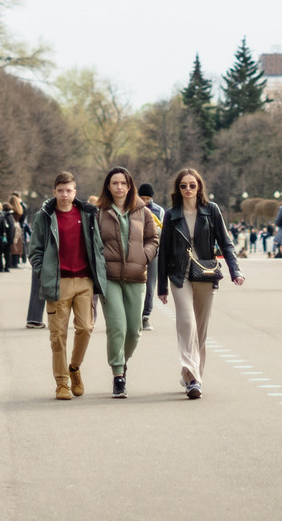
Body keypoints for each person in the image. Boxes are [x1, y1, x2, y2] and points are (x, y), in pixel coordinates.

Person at [157, 167, 245, 398]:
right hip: (179, 276)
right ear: (178, 189)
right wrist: (162, 286)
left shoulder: (211, 211)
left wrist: (235, 270)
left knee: (201, 331)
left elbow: (226, 243)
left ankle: (194, 376)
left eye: (192, 185)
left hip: (205, 273)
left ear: (199, 187)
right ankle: (192, 378)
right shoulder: (171, 214)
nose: (188, 189)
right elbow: (164, 251)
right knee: (187, 324)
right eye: (183, 185)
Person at [26, 171, 103, 399]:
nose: (65, 194)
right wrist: (44, 272)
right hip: (58, 282)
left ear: (75, 192)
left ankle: (74, 368)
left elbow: (97, 246)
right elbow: (35, 250)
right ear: (54, 192)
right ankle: (61, 383)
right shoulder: (45, 216)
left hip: (84, 281)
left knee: (86, 328)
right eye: (60, 190)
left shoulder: (87, 214)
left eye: (69, 190)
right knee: (57, 335)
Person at [94, 166, 160, 397]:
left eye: (123, 183)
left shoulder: (142, 211)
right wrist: (99, 266)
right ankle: (118, 375)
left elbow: (153, 238)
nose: (119, 187)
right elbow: (92, 243)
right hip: (109, 278)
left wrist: (144, 256)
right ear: (108, 186)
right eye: (115, 183)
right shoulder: (99, 212)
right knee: (117, 327)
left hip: (136, 276)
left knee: (134, 330)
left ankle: (123, 362)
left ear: (129, 186)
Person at [139, 183, 164, 330]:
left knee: (150, 284)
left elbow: (163, 231)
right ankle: (135, 314)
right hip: (136, 250)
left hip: (154, 251)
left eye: (147, 198)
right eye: (142, 198)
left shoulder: (159, 211)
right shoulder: (133, 208)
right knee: (136, 284)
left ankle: (146, 315)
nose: (145, 201)